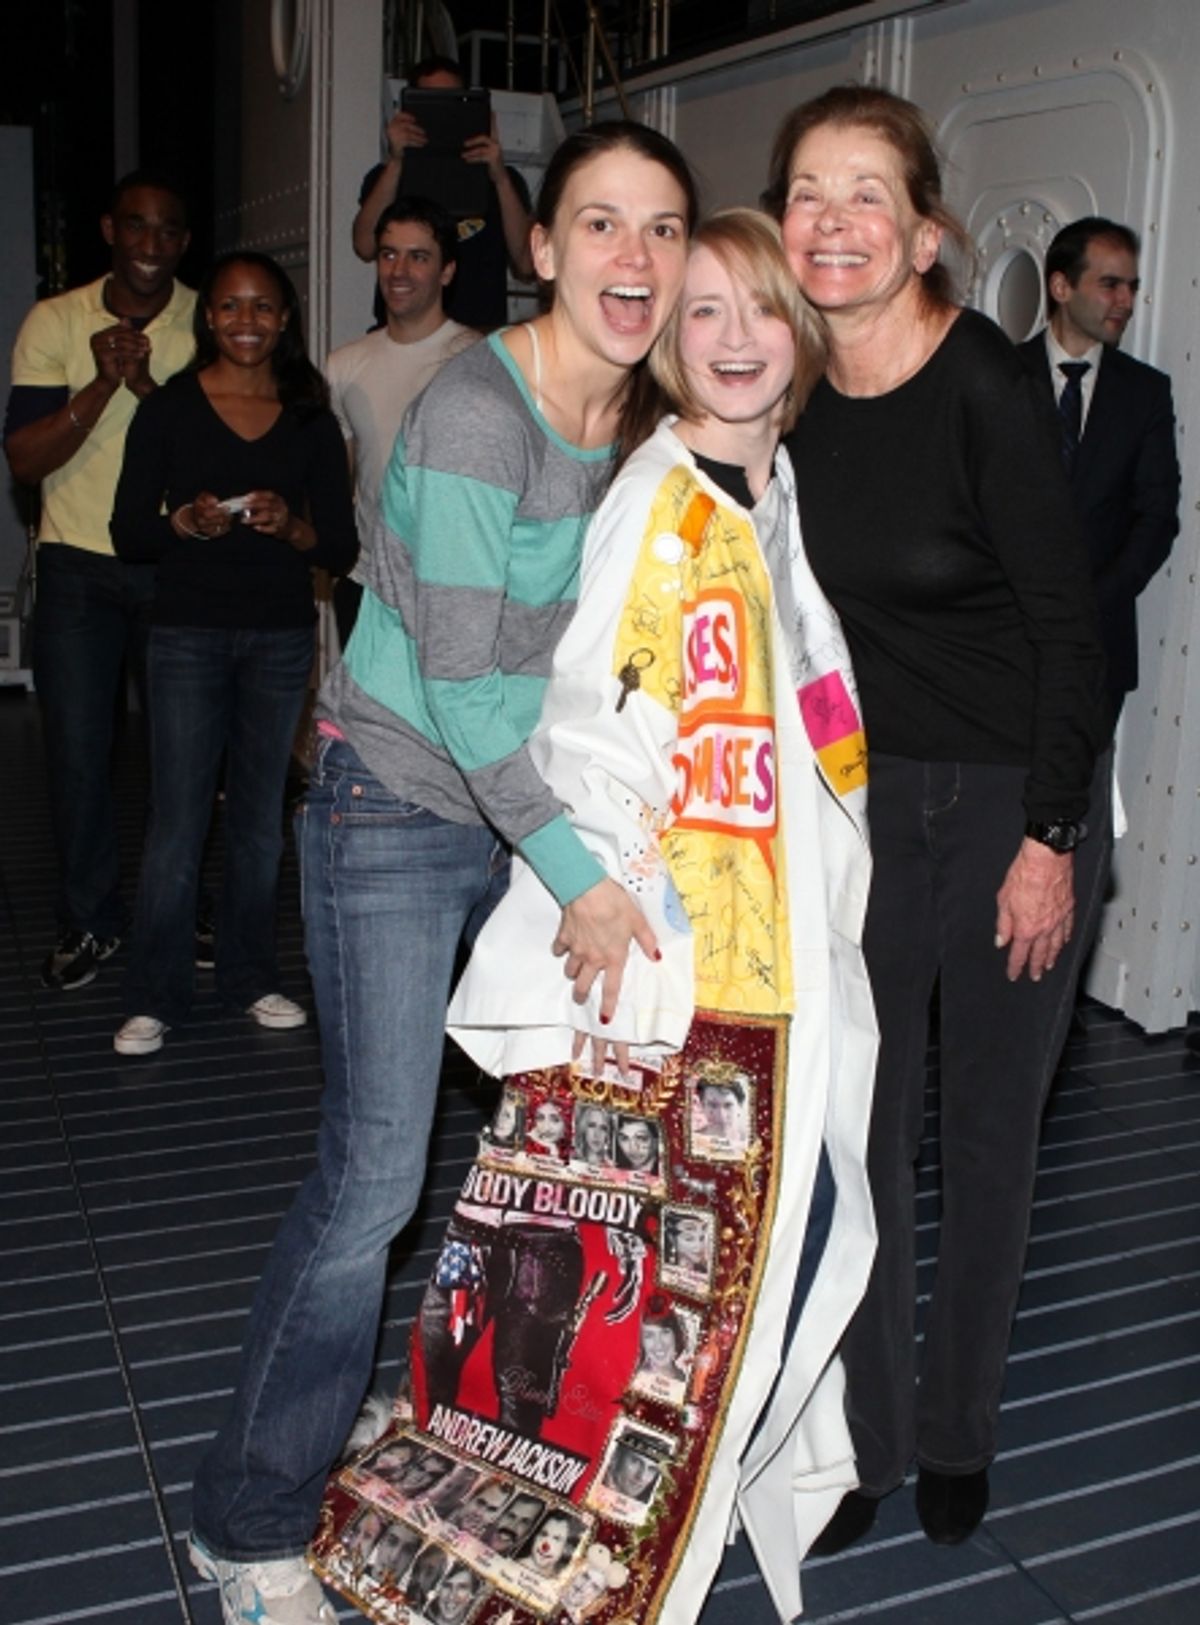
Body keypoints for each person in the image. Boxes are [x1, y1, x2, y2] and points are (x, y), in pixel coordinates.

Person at [322, 208, 876, 1625]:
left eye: (762, 309)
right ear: (666, 341)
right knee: (660, 1287)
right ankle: (599, 1554)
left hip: (782, 945)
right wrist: (611, 902)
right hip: (685, 965)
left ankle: (692, 1500)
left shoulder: (772, 488)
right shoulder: (660, 497)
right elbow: (587, 722)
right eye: (704, 313)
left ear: (802, 333)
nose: (737, 339)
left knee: (770, 1247)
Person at [190, 121, 697, 1625]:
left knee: (517, 1149)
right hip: (399, 809)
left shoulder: (638, 412)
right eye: (601, 223)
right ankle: (245, 1517)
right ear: (539, 247)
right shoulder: (486, 410)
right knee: (371, 1180)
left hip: (515, 814)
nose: (634, 257)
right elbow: (470, 690)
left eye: (663, 228)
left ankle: (407, 1402)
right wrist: (582, 876)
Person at [766, 84, 1111, 1552]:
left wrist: (1051, 838)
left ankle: (961, 1431)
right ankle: (873, 1439)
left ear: (922, 235)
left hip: (1011, 805)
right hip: (866, 805)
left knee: (984, 1141)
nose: (833, 219)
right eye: (807, 191)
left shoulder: (981, 381)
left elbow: (1072, 629)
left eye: (868, 193)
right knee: (855, 1138)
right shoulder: (784, 390)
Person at [109, 252, 357, 1056]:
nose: (246, 321)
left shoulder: (310, 418)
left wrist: (291, 527)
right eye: (230, 307)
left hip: (279, 636)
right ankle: (155, 993)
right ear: (207, 318)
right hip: (186, 633)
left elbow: (340, 545)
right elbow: (129, 531)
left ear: (284, 320)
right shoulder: (170, 409)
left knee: (258, 823)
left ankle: (250, 976)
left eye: (262, 307)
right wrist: (182, 522)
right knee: (177, 823)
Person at [4, 172, 194, 991]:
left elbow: (212, 453)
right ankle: (89, 918)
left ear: (183, 242)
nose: (151, 245)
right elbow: (24, 458)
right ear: (110, 230)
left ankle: (175, 907)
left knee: (182, 758)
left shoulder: (207, 319)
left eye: (168, 231)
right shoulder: (55, 319)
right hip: (77, 565)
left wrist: (148, 388)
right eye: (137, 227)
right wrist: (102, 383)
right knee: (79, 755)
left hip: (172, 561)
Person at [1018, 216, 1180, 726]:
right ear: (1061, 287)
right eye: (1110, 284)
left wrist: (1091, 603)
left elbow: (1157, 518)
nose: (1126, 301)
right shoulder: (999, 375)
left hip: (1097, 654)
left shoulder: (1145, 393)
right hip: (997, 645)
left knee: (1081, 779)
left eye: (1131, 286)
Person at [326, 195, 479, 647]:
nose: (399, 271)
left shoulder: (478, 361)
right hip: (365, 584)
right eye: (389, 254)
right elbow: (340, 482)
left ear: (446, 271)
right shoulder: (343, 364)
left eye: (419, 257)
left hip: (450, 587)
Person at [352, 55, 533, 333]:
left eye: (453, 101)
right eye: (431, 102)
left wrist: (499, 177)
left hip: (477, 335)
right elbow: (364, 246)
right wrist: (397, 160)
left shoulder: (503, 180)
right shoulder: (386, 176)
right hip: (405, 335)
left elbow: (526, 264)